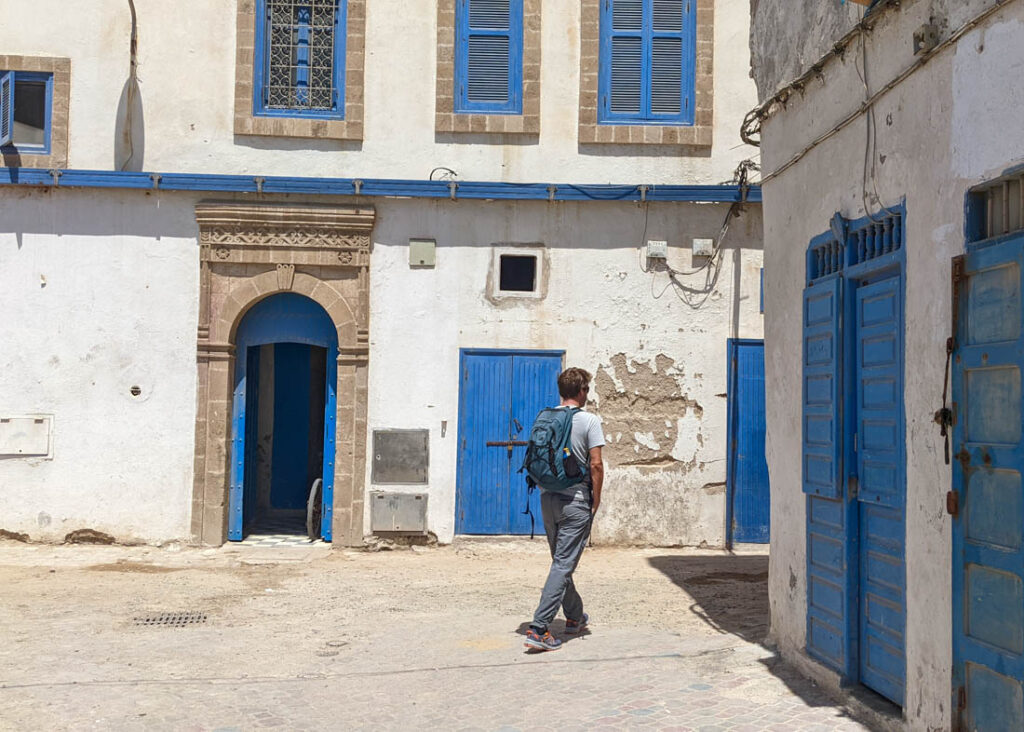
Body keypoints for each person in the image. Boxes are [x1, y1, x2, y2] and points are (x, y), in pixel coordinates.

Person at [524, 367, 605, 652]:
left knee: (561, 562)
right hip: (576, 501)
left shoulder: (546, 416)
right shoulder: (589, 421)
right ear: (581, 390)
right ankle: (539, 628)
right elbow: (595, 464)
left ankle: (574, 616)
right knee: (563, 564)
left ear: (561, 390)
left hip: (547, 499)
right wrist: (595, 498)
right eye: (587, 389)